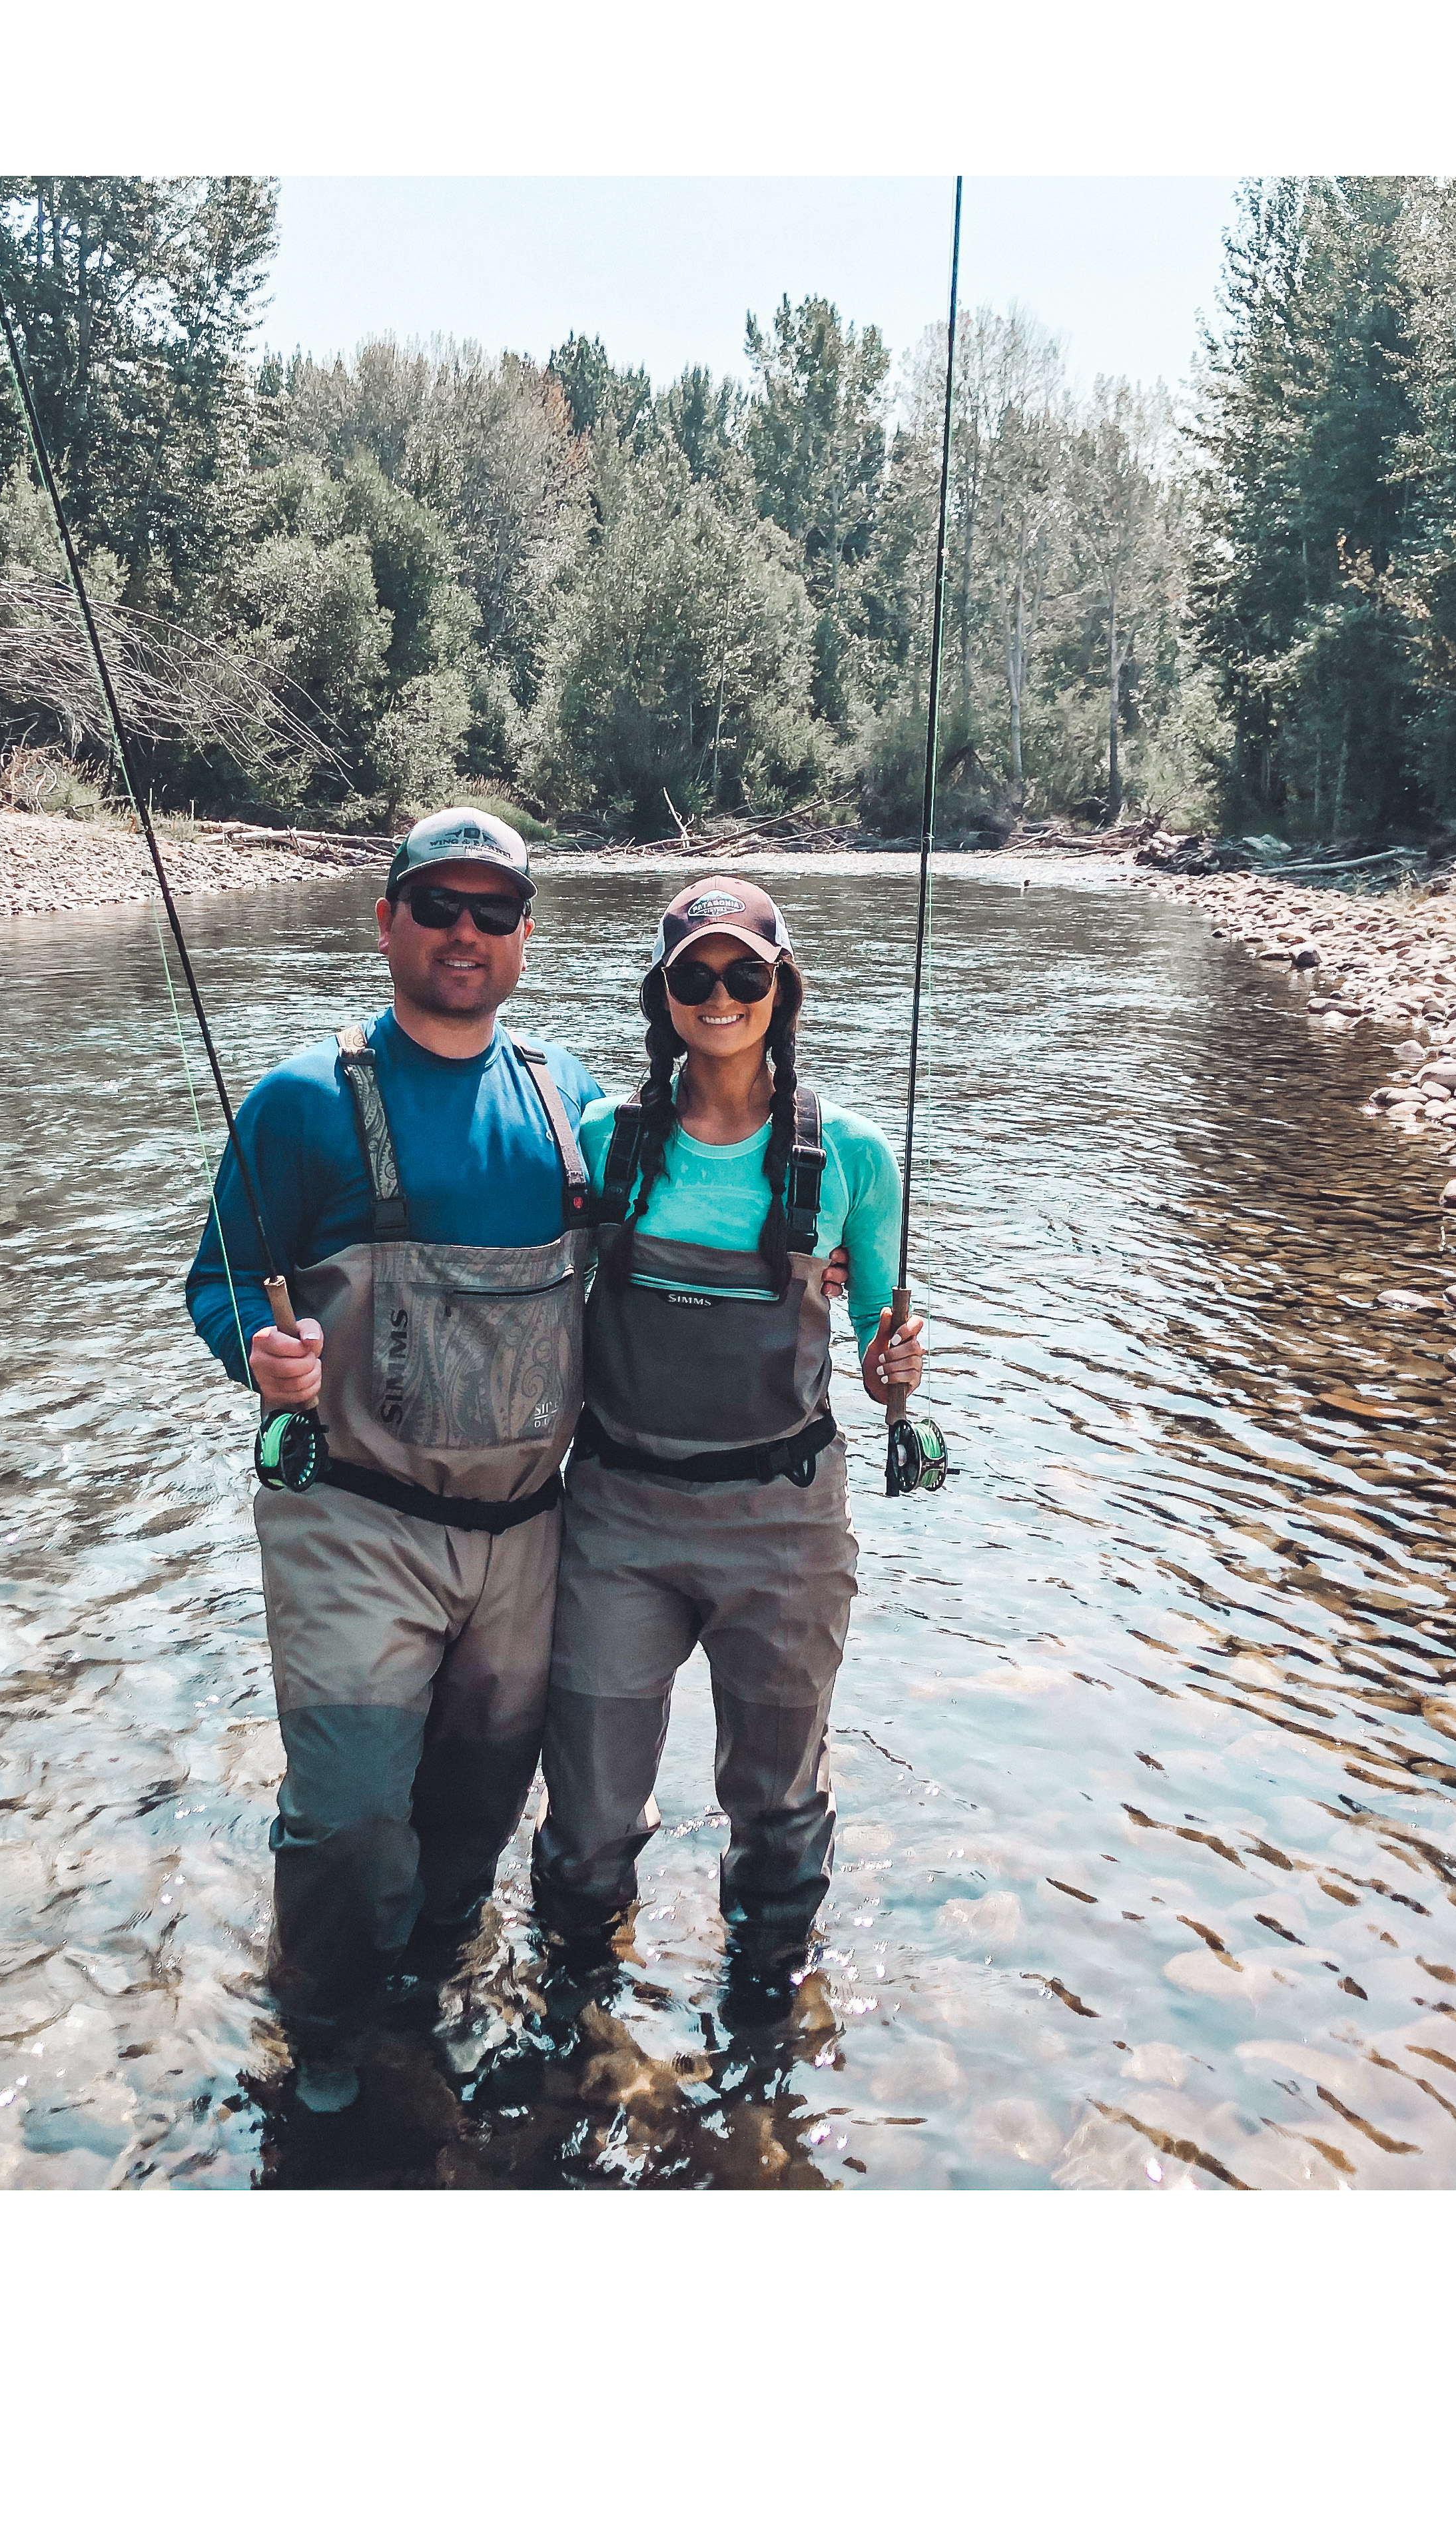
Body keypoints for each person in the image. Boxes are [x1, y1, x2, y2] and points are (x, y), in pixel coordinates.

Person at [184, 807, 599, 2111]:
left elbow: (693, 1227)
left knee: (477, 1802)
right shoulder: (302, 1103)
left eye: (492, 911)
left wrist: (827, 1270)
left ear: (527, 936)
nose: (464, 934)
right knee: (356, 1814)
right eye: (438, 906)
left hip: (529, 1525)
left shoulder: (575, 1100)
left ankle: (427, 1984)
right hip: (353, 1516)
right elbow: (219, 1280)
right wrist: (260, 1346)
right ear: (386, 924)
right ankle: (322, 2034)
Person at [534, 875, 924, 2024]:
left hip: (786, 1523)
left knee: (779, 1794)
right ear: (663, 998)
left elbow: (884, 1333)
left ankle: (766, 2001)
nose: (721, 995)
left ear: (779, 990)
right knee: (592, 1802)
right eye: (694, 977)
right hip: (617, 1517)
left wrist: (898, 1372)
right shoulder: (607, 1140)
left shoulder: (851, 1154)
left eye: (743, 974)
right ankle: (578, 1996)